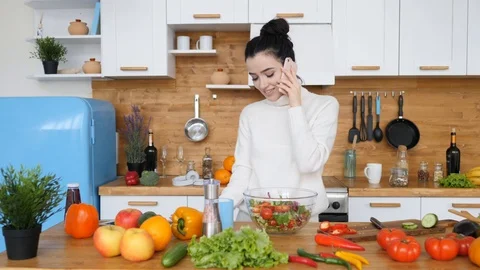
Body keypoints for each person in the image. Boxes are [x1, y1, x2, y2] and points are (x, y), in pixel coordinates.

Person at [219, 18, 340, 221]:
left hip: (301, 219)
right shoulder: (251, 113)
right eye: (255, 77)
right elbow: (243, 170)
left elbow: (308, 164)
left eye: (269, 73)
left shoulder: (324, 106)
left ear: (289, 66)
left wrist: (295, 104)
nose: (263, 85)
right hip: (254, 217)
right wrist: (221, 204)